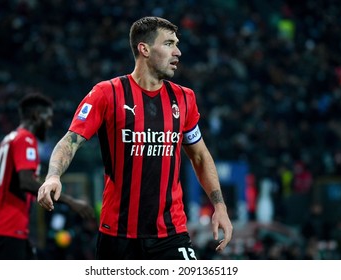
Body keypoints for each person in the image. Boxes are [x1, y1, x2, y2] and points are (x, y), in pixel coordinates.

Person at [38, 16, 233, 260]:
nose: (178, 52)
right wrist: (53, 176)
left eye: (177, 44)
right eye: (169, 43)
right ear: (144, 49)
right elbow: (71, 140)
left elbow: (200, 156)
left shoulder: (184, 99)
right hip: (117, 235)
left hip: (170, 233)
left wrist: (220, 206)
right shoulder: (106, 94)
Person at [0, 93, 95, 260]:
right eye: (47, 118)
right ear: (36, 116)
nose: (49, 124)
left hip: (1, 229)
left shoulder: (8, 140)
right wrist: (71, 202)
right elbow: (26, 182)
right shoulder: (26, 140)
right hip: (11, 229)